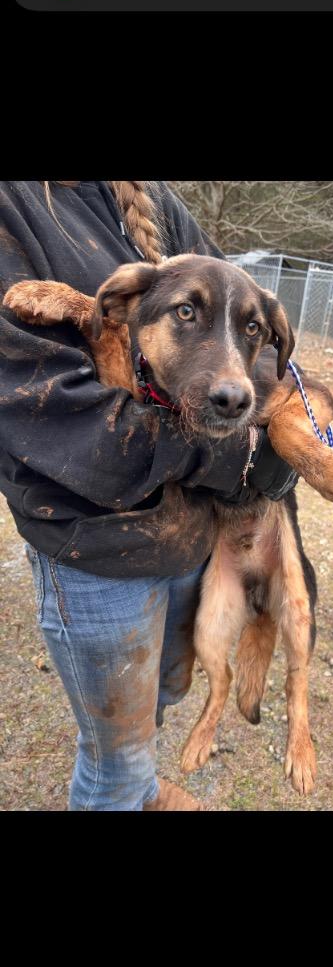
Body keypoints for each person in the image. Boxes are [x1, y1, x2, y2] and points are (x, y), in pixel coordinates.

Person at [0, 180, 297, 811]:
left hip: (190, 535)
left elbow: (242, 321)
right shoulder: (14, 204)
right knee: (114, 752)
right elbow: (54, 419)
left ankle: (140, 786)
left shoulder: (149, 198)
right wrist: (249, 456)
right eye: (183, 314)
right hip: (97, 552)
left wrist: (296, 426)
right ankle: (124, 785)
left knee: (162, 694)